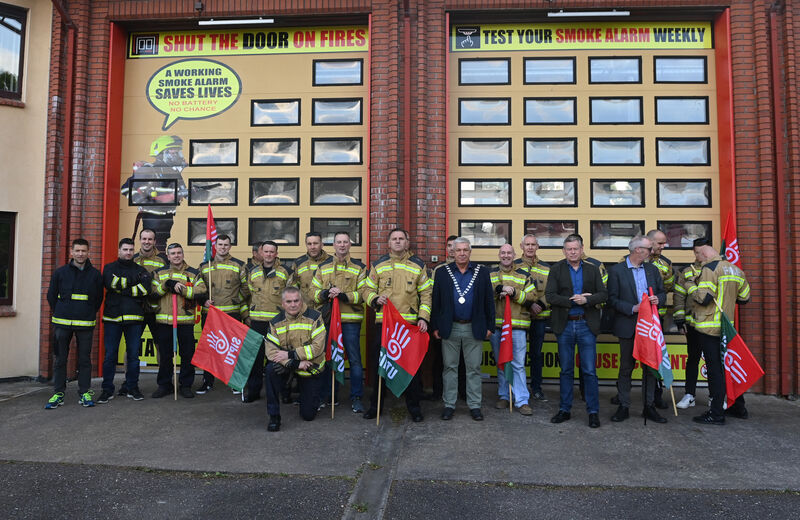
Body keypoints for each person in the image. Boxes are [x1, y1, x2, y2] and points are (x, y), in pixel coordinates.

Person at [360, 228, 433, 422]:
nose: (398, 241)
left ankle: (414, 408)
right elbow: (366, 289)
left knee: (411, 369)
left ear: (407, 242)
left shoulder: (418, 265)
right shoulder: (378, 264)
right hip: (384, 324)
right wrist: (375, 298)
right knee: (380, 367)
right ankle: (375, 407)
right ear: (389, 243)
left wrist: (423, 317)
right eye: (394, 239)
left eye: (402, 238)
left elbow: (426, 294)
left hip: (408, 326)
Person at [685, 238, 750, 425]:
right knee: (728, 368)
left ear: (704, 253)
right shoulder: (736, 269)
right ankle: (738, 407)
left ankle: (716, 414)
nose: (697, 259)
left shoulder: (709, 269)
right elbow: (745, 298)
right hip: (727, 329)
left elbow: (703, 298)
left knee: (715, 371)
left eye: (698, 255)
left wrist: (690, 285)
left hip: (709, 328)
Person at [545, 234, 607, 428]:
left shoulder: (592, 269)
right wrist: (573, 300)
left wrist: (587, 300)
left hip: (586, 325)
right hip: (565, 325)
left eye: (575, 249)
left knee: (589, 371)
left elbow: (604, 294)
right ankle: (564, 409)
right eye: (568, 249)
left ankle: (593, 412)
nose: (572, 252)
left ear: (582, 250)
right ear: (564, 251)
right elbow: (550, 296)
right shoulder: (556, 269)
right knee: (566, 370)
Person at [431, 237, 494, 421]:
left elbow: (488, 301)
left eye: (465, 250)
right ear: (453, 252)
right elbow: (436, 301)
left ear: (470, 251)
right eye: (458, 250)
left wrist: (490, 326)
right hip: (449, 327)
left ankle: (474, 405)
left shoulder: (482, 272)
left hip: (474, 327)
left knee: (474, 368)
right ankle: (449, 404)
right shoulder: (443, 272)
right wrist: (435, 326)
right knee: (449, 367)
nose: (461, 253)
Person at [607, 235, 667, 424]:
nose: (652, 252)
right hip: (628, 325)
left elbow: (662, 292)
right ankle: (624, 405)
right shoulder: (617, 271)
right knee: (626, 367)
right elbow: (612, 299)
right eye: (649, 249)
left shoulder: (652, 269)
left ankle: (648, 407)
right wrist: (632, 308)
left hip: (649, 328)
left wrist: (659, 299)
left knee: (649, 369)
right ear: (637, 250)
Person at [312, 231, 368, 413]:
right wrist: (324, 294)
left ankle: (357, 397)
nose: (342, 245)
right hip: (328, 320)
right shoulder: (323, 267)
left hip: (350, 320)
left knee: (354, 360)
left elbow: (364, 293)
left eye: (345, 242)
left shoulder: (360, 268)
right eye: (339, 242)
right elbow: (313, 291)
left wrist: (343, 295)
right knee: (328, 358)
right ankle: (329, 396)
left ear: (350, 245)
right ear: (333, 245)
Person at [45, 239, 104, 409]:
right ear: (71, 252)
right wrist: (61, 311)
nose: (80, 254)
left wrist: (88, 311)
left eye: (83, 251)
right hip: (62, 323)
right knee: (60, 360)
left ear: (88, 252)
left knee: (85, 360)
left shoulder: (95, 275)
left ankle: (84, 392)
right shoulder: (60, 272)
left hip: (85, 323)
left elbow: (98, 298)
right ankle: (58, 393)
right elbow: (51, 295)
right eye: (77, 250)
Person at [264, 287, 327, 431]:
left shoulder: (315, 317)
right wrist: (295, 363)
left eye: (296, 301)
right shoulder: (275, 322)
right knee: (270, 370)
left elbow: (317, 348)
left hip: (310, 368)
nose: (293, 304)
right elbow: (271, 352)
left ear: (301, 301)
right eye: (289, 301)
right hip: (293, 365)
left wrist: (290, 355)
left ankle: (305, 393)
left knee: (308, 415)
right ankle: (274, 416)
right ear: (283, 303)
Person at [98, 238, 151, 403]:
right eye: (125, 249)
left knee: (134, 356)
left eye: (130, 250)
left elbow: (145, 289)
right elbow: (110, 283)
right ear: (119, 251)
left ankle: (132, 387)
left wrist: (122, 287)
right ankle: (107, 390)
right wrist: (132, 285)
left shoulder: (141, 270)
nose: (128, 252)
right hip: (112, 318)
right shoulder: (108, 268)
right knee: (110, 356)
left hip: (134, 319)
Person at [150, 243, 206, 398]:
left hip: (185, 321)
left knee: (187, 355)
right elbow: (153, 292)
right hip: (164, 321)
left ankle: (186, 385)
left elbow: (201, 291)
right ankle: (164, 385)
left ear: (183, 254)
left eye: (179, 253)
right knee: (166, 355)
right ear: (168, 256)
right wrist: (167, 285)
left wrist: (182, 290)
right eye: (173, 253)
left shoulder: (193, 273)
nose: (176, 256)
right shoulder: (159, 273)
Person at [195, 234, 249, 394]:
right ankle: (207, 382)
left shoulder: (239, 265)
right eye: (220, 244)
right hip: (210, 313)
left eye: (226, 245)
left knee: (233, 349)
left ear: (230, 246)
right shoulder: (205, 266)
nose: (223, 247)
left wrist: (235, 300)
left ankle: (234, 382)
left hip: (231, 313)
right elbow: (198, 287)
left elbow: (246, 287)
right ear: (215, 246)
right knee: (210, 349)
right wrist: (203, 300)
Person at [489, 244, 536, 414]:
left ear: (514, 255)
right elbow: (485, 295)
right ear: (499, 255)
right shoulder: (491, 273)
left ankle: (522, 400)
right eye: (503, 253)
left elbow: (531, 298)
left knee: (517, 365)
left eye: (509, 253)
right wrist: (499, 290)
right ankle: (504, 396)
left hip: (517, 327)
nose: (506, 255)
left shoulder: (524, 275)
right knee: (501, 362)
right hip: (497, 326)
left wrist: (514, 293)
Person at [121, 135, 188, 252]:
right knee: (151, 249)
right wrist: (155, 198)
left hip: (167, 220)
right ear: (163, 152)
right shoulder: (148, 169)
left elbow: (185, 193)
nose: (178, 154)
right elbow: (127, 189)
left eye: (178, 150)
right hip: (152, 219)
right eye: (174, 150)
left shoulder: (174, 173)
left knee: (161, 249)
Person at [245, 240, 291, 402]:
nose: (269, 254)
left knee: (279, 359)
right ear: (261, 253)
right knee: (255, 359)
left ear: (276, 253)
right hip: (257, 322)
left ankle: (283, 392)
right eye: (266, 251)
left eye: (272, 252)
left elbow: (290, 297)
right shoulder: (253, 272)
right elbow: (248, 294)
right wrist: (247, 314)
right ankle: (254, 391)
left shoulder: (285, 272)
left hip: (277, 323)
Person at [294, 232, 331, 406]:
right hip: (304, 317)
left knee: (322, 356)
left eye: (316, 243)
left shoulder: (331, 262)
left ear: (322, 243)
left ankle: (324, 395)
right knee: (304, 355)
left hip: (325, 315)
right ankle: (304, 395)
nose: (313, 247)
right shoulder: (299, 263)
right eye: (309, 243)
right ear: (306, 245)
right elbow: (292, 289)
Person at [514, 234, 550, 402]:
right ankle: (515, 389)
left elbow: (552, 292)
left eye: (533, 244)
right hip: (519, 317)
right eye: (527, 244)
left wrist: (540, 305)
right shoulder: (513, 266)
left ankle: (536, 388)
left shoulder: (546, 267)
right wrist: (530, 305)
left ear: (538, 247)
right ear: (521, 246)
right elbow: (513, 290)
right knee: (517, 356)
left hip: (540, 318)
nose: (530, 247)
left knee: (536, 354)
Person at [132, 228, 168, 388]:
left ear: (154, 241)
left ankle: (164, 383)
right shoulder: (132, 259)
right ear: (140, 240)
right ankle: (130, 383)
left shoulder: (163, 260)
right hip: (136, 309)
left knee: (161, 346)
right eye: (144, 239)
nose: (147, 242)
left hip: (156, 310)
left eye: (150, 239)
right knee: (132, 348)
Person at [424, 235, 458, 401]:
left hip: (460, 320)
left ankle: (463, 393)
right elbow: (432, 295)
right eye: (449, 246)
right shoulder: (438, 270)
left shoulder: (466, 268)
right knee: (439, 359)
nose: (452, 249)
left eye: (455, 246)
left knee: (463, 361)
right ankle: (438, 392)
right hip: (443, 320)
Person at [647, 228, 675, 409]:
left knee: (656, 358)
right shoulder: (631, 258)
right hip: (637, 318)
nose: (663, 246)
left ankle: (656, 395)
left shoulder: (666, 263)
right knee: (630, 359)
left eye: (664, 243)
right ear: (649, 242)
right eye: (660, 243)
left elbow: (667, 288)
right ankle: (622, 393)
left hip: (657, 318)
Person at [673, 258, 703, 409]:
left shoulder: (719, 269)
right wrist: (679, 321)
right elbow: (679, 296)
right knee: (692, 360)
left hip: (715, 326)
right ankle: (689, 395)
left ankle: (716, 397)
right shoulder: (687, 271)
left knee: (715, 363)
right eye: (696, 252)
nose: (699, 255)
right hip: (693, 324)